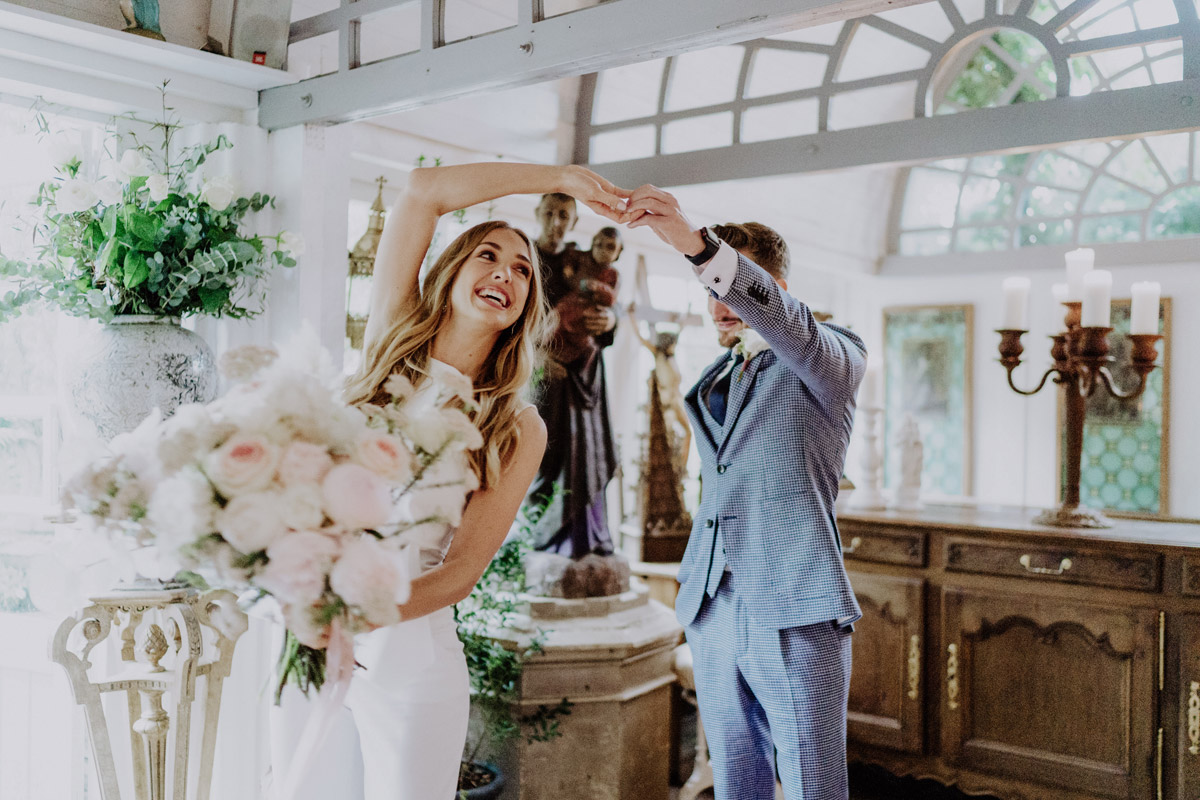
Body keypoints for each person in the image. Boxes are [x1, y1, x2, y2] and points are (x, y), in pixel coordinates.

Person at [271, 162, 628, 800]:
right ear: (452, 272)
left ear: (527, 305)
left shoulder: (519, 424)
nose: (506, 273)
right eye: (488, 256)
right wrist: (562, 177)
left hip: (411, 656)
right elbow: (423, 191)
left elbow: (462, 572)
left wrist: (354, 616)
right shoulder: (389, 345)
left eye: (523, 270)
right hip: (313, 630)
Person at [624, 187, 866, 800]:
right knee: (737, 782)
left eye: (727, 285)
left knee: (814, 787)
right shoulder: (717, 376)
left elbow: (786, 326)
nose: (718, 304)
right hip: (712, 603)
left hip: (795, 602)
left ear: (776, 286)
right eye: (709, 291)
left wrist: (697, 245)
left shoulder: (833, 359)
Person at [526, 195, 621, 559]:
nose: (556, 222)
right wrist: (534, 355)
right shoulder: (526, 256)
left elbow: (610, 303)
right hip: (542, 371)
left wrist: (611, 322)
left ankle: (586, 540)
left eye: (564, 215)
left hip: (585, 373)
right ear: (537, 214)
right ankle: (539, 541)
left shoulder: (582, 259)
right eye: (549, 213)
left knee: (587, 452)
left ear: (575, 220)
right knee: (543, 455)